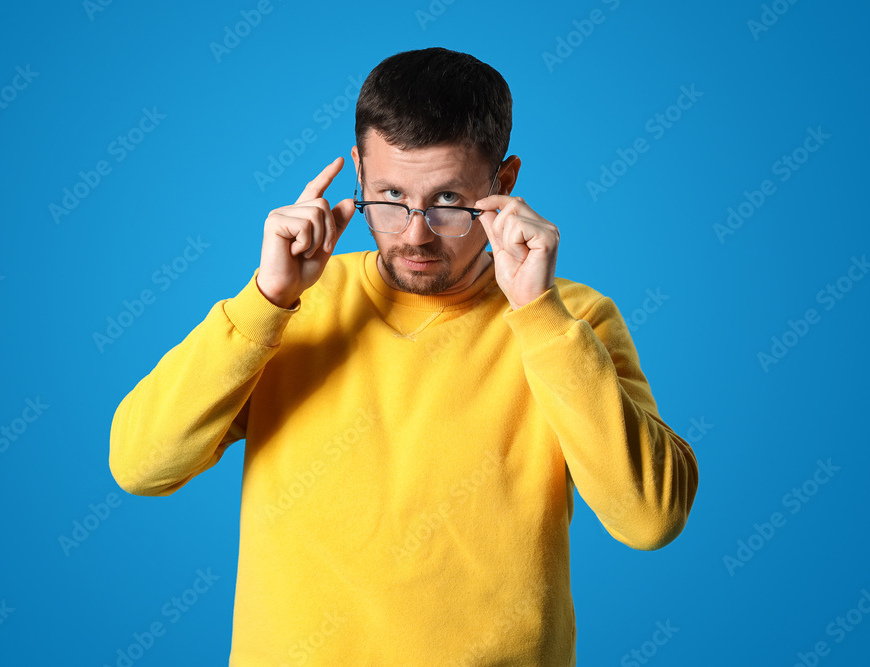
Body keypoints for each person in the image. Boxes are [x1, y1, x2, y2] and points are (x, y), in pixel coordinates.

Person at [109, 46, 699, 666]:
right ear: (358, 171)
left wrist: (541, 318)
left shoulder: (569, 320)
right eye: (389, 195)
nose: (414, 234)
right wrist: (266, 299)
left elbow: (650, 519)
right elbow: (141, 466)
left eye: (447, 201)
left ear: (503, 184)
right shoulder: (289, 305)